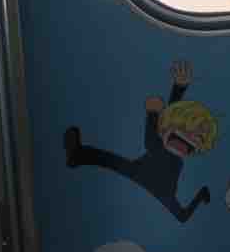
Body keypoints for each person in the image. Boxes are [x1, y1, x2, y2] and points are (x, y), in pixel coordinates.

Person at [64, 60, 215, 223]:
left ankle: (79, 155)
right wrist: (177, 90)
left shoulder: (173, 160)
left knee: (138, 154)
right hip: (145, 179)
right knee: (134, 155)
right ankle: (78, 155)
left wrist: (160, 108)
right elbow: (167, 127)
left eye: (190, 144)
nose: (184, 143)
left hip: (152, 185)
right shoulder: (166, 151)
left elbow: (163, 131)